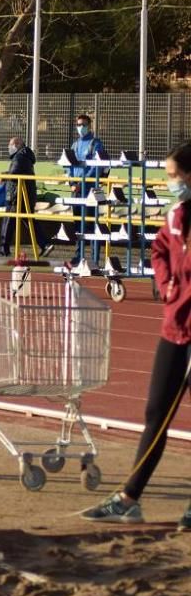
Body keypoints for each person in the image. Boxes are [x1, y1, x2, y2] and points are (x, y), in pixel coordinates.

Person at [81, 142, 191, 532]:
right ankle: (129, 498)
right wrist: (165, 282)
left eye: (175, 176)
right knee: (155, 413)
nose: (170, 182)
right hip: (175, 330)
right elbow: (160, 249)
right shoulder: (176, 215)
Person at [0, 136, 54, 259]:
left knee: (9, 221)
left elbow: (15, 173)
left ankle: (3, 248)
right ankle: (45, 244)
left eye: (11, 145)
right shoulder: (24, 157)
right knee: (29, 221)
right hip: (23, 194)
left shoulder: (20, 157)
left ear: (18, 144)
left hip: (18, 195)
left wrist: (3, 176)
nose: (9, 147)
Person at [66, 114, 107, 265]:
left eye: (83, 124)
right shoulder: (75, 145)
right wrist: (72, 182)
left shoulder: (95, 144)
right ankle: (79, 256)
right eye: (78, 124)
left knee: (92, 223)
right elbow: (68, 165)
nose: (80, 127)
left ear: (89, 126)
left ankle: (94, 258)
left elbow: (96, 167)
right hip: (76, 190)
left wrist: (82, 183)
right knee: (78, 224)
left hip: (90, 189)